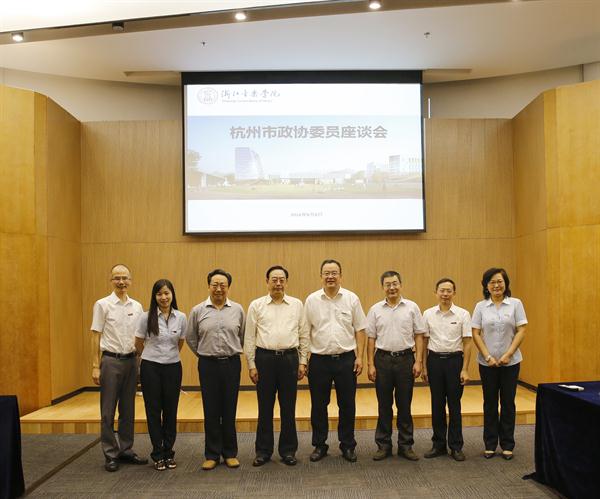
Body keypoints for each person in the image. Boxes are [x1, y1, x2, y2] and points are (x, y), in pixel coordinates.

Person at [244, 265, 309, 467]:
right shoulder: (256, 305)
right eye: (274, 279)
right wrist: (251, 364)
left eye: (282, 280)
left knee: (288, 408)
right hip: (264, 359)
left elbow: (304, 334)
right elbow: (249, 337)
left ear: (286, 282)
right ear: (267, 282)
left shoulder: (297, 305)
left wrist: (303, 361)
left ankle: (288, 451)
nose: (278, 283)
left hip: (289, 359)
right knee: (265, 408)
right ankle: (263, 451)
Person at [303, 259, 367, 463]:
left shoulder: (351, 298)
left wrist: (360, 357)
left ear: (341, 276)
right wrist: (303, 359)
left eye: (334, 273)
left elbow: (360, 329)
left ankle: (347, 445)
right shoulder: (312, 300)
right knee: (318, 405)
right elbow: (305, 331)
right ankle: (319, 445)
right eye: (326, 273)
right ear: (320, 276)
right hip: (319, 361)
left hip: (346, 359)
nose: (330, 276)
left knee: (347, 404)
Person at [90, 264, 147, 472]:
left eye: (125, 278)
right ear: (111, 280)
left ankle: (126, 449)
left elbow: (140, 337)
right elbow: (95, 335)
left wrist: (141, 363)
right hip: (110, 361)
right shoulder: (102, 304)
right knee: (107, 411)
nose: (121, 282)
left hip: (131, 361)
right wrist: (95, 366)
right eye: (117, 278)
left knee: (128, 409)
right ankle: (110, 453)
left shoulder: (137, 306)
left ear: (130, 280)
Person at [186, 269, 245, 471]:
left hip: (231, 364)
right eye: (215, 285)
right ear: (209, 286)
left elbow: (242, 336)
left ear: (228, 287)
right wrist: (204, 353)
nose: (219, 289)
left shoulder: (237, 309)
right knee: (210, 409)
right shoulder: (198, 310)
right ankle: (212, 454)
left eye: (223, 285)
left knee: (229, 408)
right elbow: (191, 338)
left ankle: (230, 453)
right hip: (208, 365)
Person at [366, 270, 425, 461]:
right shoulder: (375, 309)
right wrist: (370, 364)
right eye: (388, 284)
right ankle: (383, 445)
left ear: (400, 285)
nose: (392, 287)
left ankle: (405, 445)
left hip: (405, 360)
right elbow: (371, 338)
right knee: (384, 405)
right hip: (382, 360)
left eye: (395, 284)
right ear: (382, 287)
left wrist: (419, 361)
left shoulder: (412, 307)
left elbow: (419, 335)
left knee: (404, 405)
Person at [471, 267, 527, 460]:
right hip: (487, 363)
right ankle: (490, 444)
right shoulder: (480, 306)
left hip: (511, 363)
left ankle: (507, 444)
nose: (496, 285)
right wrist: (487, 356)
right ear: (486, 286)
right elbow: (475, 333)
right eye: (492, 282)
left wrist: (508, 354)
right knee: (490, 403)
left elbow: (521, 330)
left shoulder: (515, 304)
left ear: (506, 283)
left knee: (508, 402)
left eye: (500, 281)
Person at [134, 279, 186, 471]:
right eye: (159, 294)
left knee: (171, 411)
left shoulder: (181, 317)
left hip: (173, 367)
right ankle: (157, 453)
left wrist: (168, 356)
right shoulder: (145, 317)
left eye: (167, 293)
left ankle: (169, 452)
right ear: (154, 296)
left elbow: (180, 343)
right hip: (151, 368)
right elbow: (138, 343)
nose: (163, 297)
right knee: (153, 410)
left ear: (172, 294)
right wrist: (151, 356)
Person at [421, 278, 472, 461]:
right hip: (434, 361)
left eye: (449, 290)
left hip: (454, 362)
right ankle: (438, 445)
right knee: (437, 404)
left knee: (454, 405)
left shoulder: (463, 314)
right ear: (436, 293)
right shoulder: (428, 314)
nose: (445, 294)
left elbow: (467, 343)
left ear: (454, 293)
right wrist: (424, 367)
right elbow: (424, 342)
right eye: (442, 290)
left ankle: (456, 446)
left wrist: (465, 369)